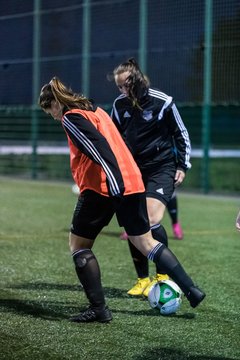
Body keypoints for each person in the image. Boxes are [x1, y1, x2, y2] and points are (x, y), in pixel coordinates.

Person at [38, 76, 205, 323]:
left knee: (79, 247)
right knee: (146, 243)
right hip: (133, 182)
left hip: (103, 188)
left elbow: (100, 150)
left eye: (48, 109)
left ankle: (99, 309)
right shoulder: (94, 109)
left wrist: (114, 185)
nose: (51, 115)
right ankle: (191, 289)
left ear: (55, 103)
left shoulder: (70, 117)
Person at [110, 58, 190, 296]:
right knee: (135, 222)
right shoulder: (120, 105)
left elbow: (181, 133)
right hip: (133, 171)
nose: (122, 91)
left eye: (125, 85)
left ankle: (162, 274)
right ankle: (142, 280)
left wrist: (182, 166)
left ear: (136, 81)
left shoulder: (162, 101)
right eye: (119, 87)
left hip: (161, 168)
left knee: (152, 218)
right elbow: (114, 138)